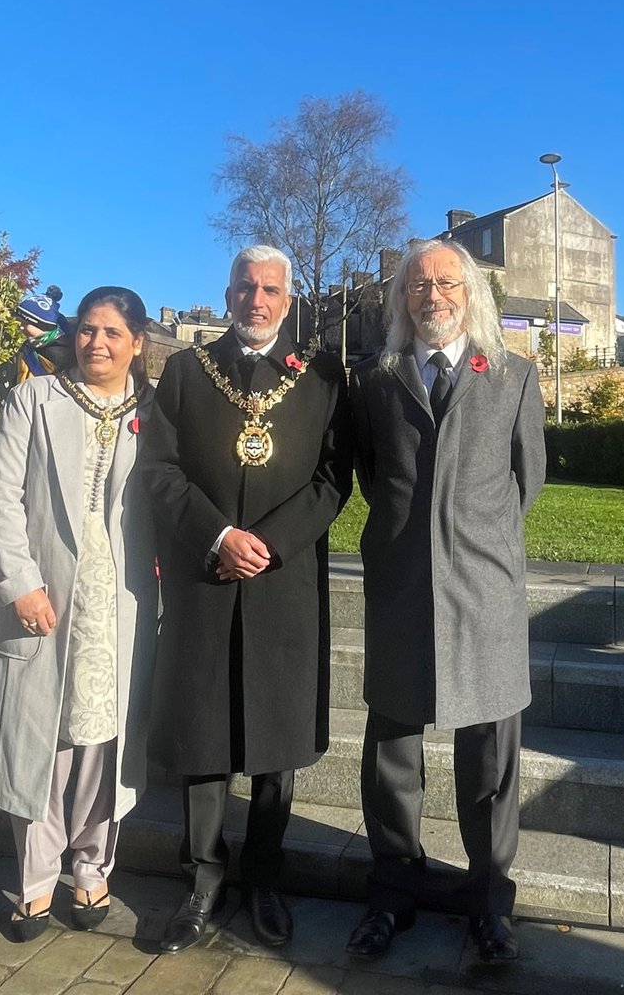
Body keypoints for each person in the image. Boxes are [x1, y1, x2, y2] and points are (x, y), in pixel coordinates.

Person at [141, 244, 351, 953]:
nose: (256, 301)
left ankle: (263, 876)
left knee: (275, 735)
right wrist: (217, 535)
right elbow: (159, 468)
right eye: (244, 288)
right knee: (204, 731)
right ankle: (203, 876)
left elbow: (332, 477)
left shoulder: (322, 374)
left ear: (288, 299)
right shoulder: (183, 371)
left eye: (270, 290)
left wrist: (271, 543)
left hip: (282, 581)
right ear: (226, 294)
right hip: (206, 576)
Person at [344, 238, 546, 965]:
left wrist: (475, 539)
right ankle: (392, 893)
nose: (433, 295)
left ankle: (489, 903)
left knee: (489, 755)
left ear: (472, 294)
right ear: (403, 299)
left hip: (485, 591)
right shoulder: (375, 382)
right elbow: (372, 471)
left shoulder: (515, 377)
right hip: (402, 587)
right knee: (392, 751)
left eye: (447, 282)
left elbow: (529, 477)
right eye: (418, 284)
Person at [0, 286, 157, 942]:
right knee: (43, 743)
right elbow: (0, 493)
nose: (96, 343)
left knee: (103, 741)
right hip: (46, 596)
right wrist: (19, 581)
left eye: (112, 332)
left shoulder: (156, 411)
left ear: (137, 342)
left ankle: (92, 865)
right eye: (86, 330)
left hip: (120, 602)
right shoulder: (33, 400)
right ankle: (33, 882)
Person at [15, 284, 74, 380]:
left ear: (43, 325)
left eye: (26, 323)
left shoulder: (61, 354)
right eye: (20, 322)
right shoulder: (28, 348)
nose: (21, 328)